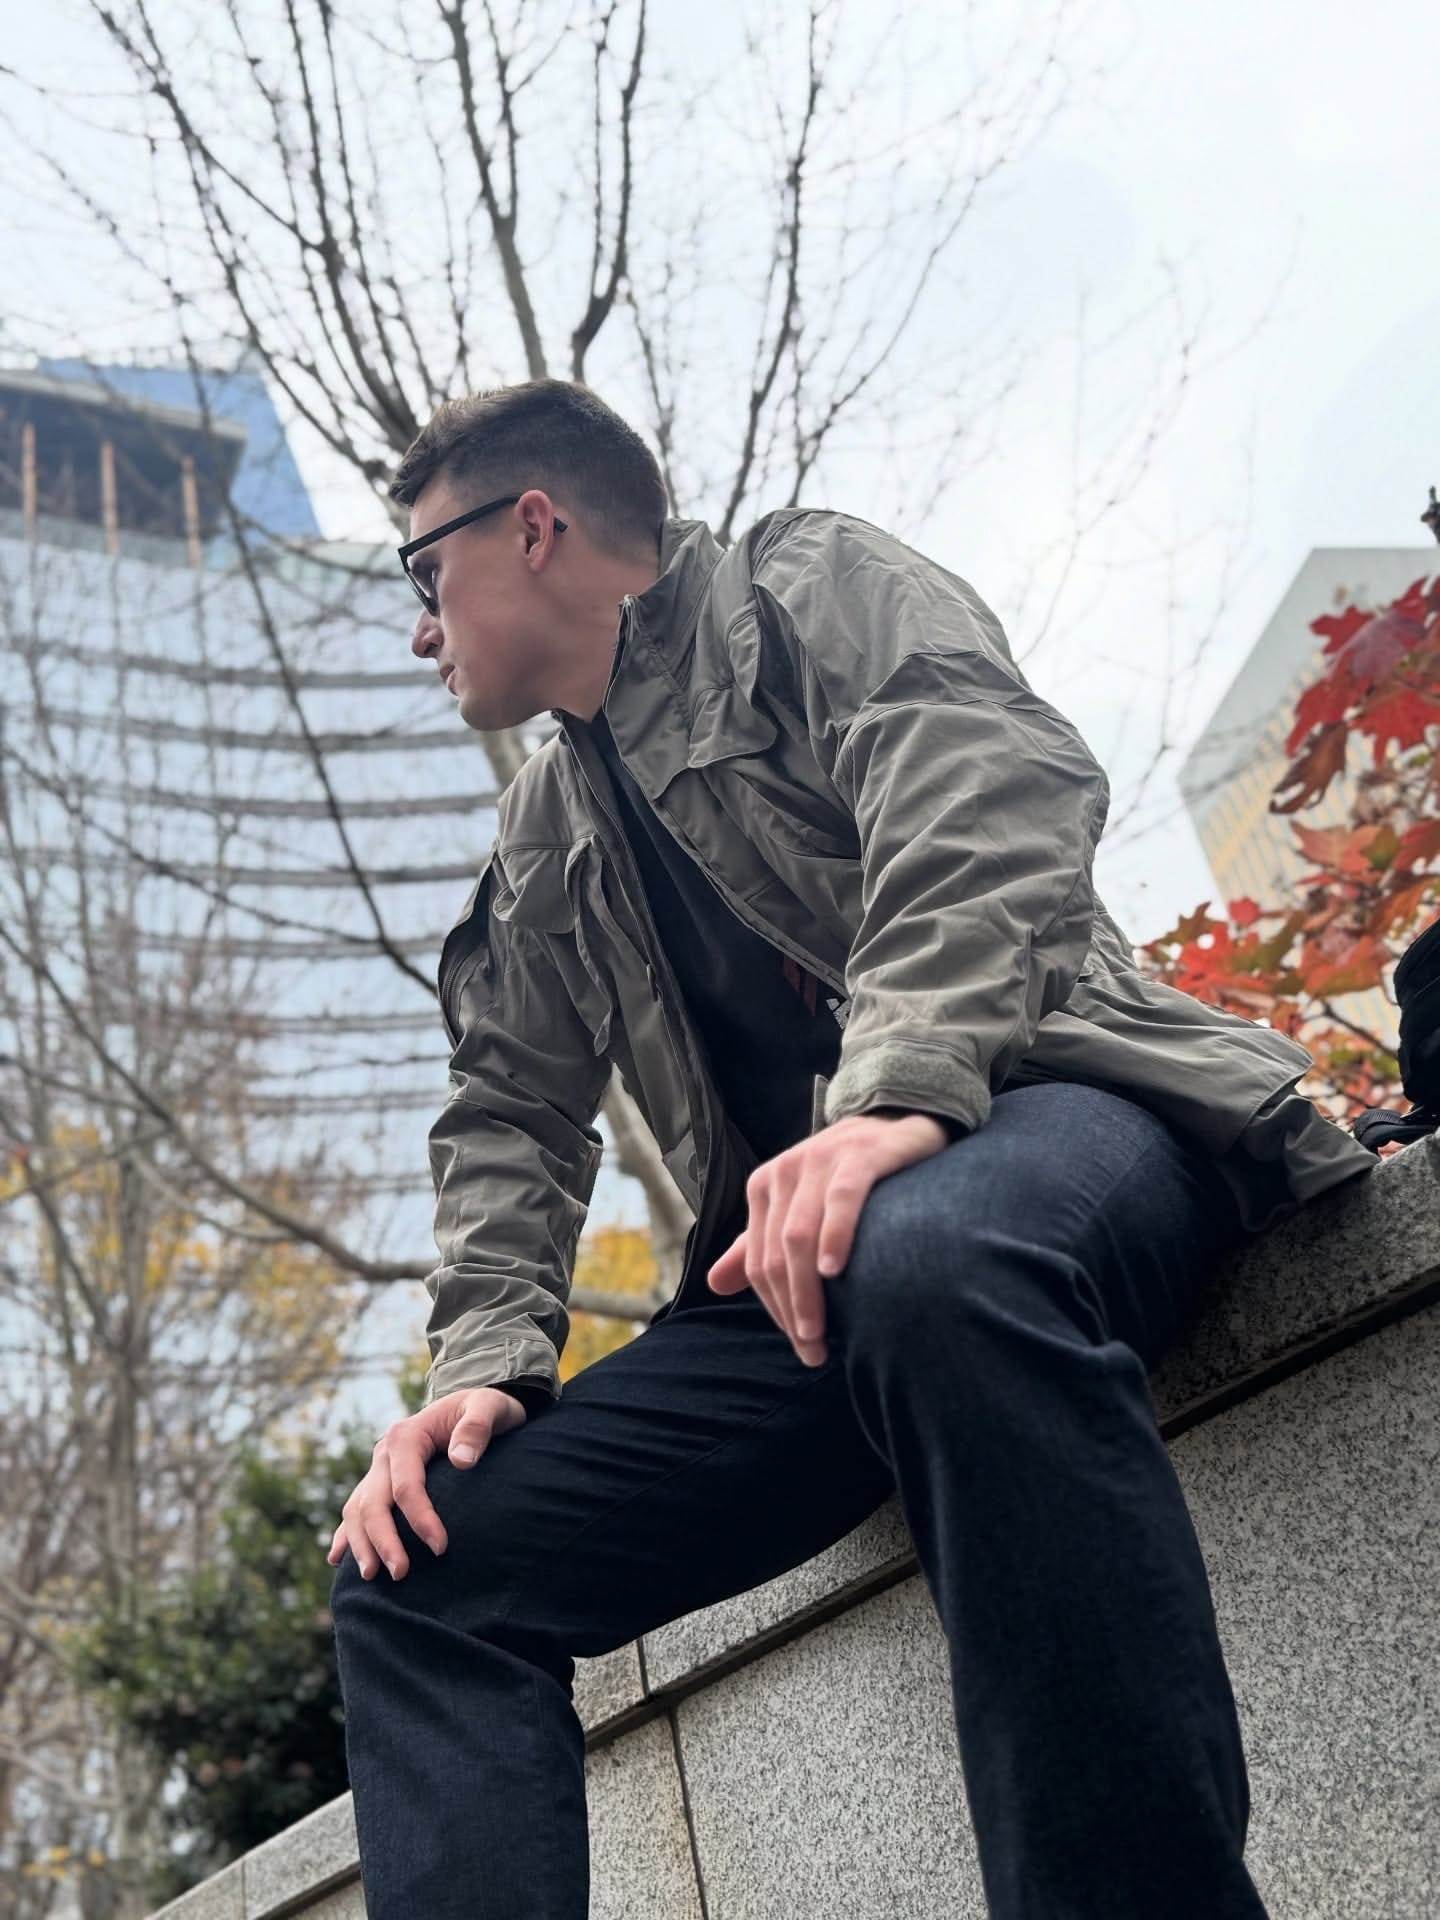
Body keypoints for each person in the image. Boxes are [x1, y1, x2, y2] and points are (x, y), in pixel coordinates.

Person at [326, 378, 1375, 1919]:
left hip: (1063, 1118)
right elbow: (507, 1114)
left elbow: (990, 791)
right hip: (814, 1284)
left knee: (927, 1250)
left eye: (427, 574)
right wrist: (484, 1365)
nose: (423, 630)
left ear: (532, 526)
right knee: (419, 1565)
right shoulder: (545, 832)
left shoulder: (797, 589)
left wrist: (894, 1099)